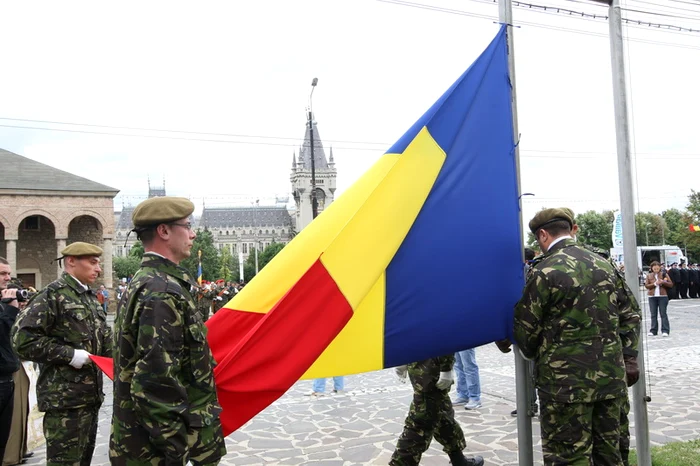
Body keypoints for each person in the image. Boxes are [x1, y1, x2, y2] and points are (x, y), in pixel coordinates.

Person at [514, 208, 641, 465]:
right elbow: (631, 315)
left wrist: (534, 351)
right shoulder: (604, 264)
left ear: (543, 234)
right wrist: (628, 357)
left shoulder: (544, 272)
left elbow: (526, 330)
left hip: (564, 386)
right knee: (611, 455)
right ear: (568, 229)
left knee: (568, 457)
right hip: (610, 381)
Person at [110, 196, 226, 465]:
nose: (193, 233)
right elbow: (154, 380)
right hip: (159, 450)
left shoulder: (152, 282)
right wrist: (176, 450)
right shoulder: (161, 291)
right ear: (163, 231)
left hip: (150, 442)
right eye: (187, 225)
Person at [12, 243, 113, 466]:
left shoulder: (88, 297)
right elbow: (22, 340)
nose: (98, 269)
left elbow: (105, 341)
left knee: (83, 460)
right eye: (93, 262)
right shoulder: (52, 296)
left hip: (89, 399)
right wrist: (69, 355)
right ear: (71, 262)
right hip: (64, 402)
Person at [390, 356, 484, 466]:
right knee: (421, 421)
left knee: (442, 412)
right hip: (432, 363)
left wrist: (402, 357)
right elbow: (442, 339)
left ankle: (458, 460)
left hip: (420, 361)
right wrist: (446, 367)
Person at [0, 258, 21, 461]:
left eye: (8, 273)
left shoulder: (3, 303)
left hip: (7, 377)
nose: (8, 278)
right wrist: (11, 311)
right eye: (2, 274)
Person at [645, 261, 673, 337]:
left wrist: (663, 282)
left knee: (663, 313)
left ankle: (665, 330)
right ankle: (653, 330)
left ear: (660, 268)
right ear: (652, 268)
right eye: (654, 268)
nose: (656, 270)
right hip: (652, 296)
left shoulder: (664, 274)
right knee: (653, 314)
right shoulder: (649, 275)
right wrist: (654, 284)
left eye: (658, 268)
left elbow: (671, 284)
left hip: (663, 296)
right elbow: (647, 286)